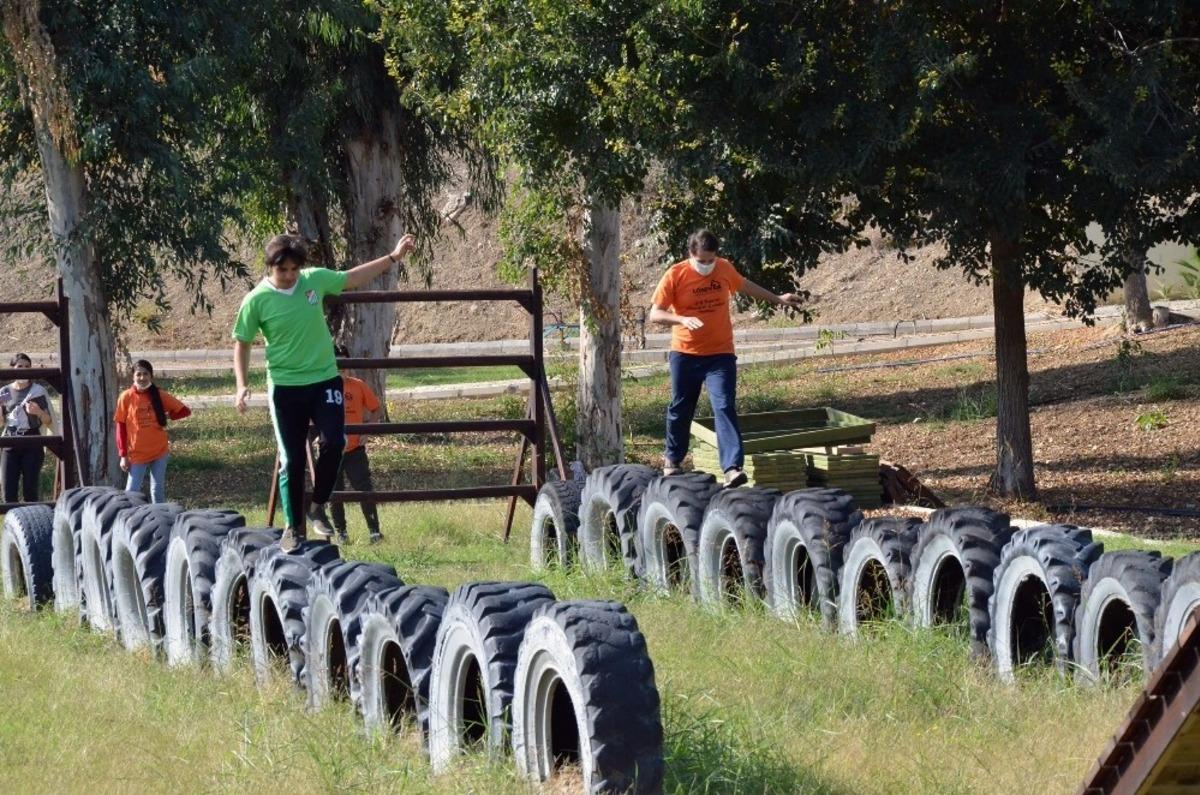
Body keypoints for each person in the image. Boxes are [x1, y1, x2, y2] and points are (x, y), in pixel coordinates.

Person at [233, 231, 416, 552]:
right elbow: (242, 342)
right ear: (269, 268)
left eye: (293, 270)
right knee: (291, 460)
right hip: (286, 387)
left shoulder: (313, 280)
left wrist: (393, 257)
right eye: (282, 270)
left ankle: (317, 504)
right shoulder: (256, 300)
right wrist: (241, 384)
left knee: (335, 443)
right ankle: (292, 527)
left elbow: (352, 278)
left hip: (324, 379)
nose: (289, 276)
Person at [649, 229, 803, 487]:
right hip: (685, 355)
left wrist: (777, 298)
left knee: (724, 406)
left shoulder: (724, 269)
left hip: (720, 354)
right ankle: (673, 461)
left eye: (712, 260)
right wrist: (681, 319)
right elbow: (656, 314)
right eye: (703, 261)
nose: (708, 266)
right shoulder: (675, 275)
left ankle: (732, 467)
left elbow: (745, 285)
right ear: (691, 254)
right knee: (680, 407)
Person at [114, 359, 191, 503]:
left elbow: (185, 411)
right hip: (137, 453)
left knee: (157, 489)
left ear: (151, 376)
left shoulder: (159, 394)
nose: (142, 378)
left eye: (146, 374)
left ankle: (161, 519)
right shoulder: (126, 397)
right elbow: (121, 427)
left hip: (159, 450)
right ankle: (128, 521)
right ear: (133, 377)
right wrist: (123, 455)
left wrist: (167, 415)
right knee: (131, 492)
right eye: (139, 374)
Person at [329, 344, 384, 546]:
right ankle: (341, 533)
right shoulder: (322, 386)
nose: (341, 367)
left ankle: (375, 532)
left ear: (350, 364)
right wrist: (317, 433)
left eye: (344, 363)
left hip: (355, 450)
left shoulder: (358, 385)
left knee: (364, 489)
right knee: (335, 492)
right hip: (331, 449)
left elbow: (376, 408)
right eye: (336, 363)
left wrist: (367, 431)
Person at [0, 353, 52, 503]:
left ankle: (32, 524)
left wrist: (38, 412)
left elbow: (49, 420)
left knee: (30, 490)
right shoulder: (5, 392)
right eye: (20, 366)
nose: (23, 370)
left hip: (32, 441)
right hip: (10, 441)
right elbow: (2, 423)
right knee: (8, 492)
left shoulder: (38, 391)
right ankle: (12, 524)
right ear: (12, 369)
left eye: (27, 367)